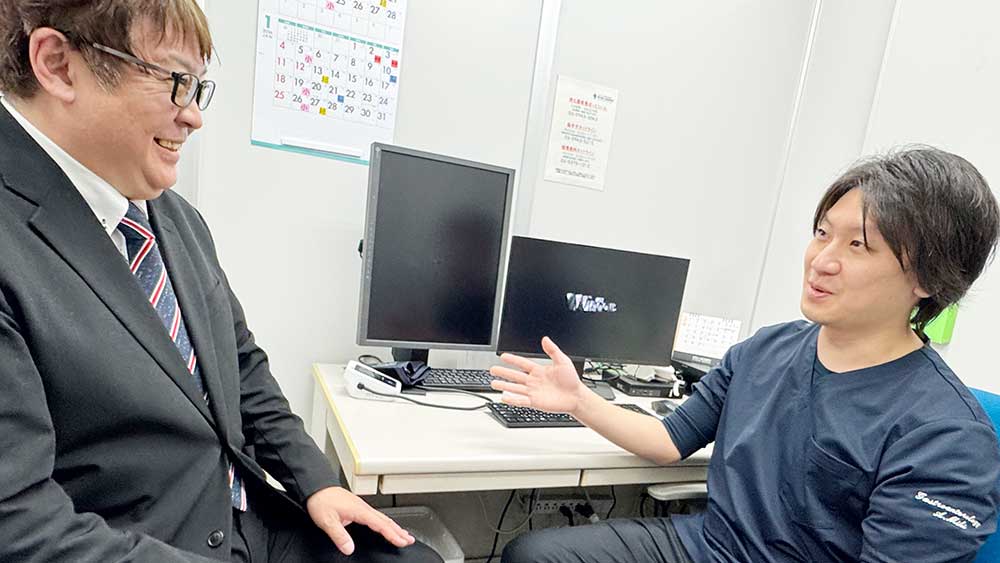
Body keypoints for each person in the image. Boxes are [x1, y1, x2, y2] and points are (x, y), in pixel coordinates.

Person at [0, 2, 441, 562]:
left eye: (197, 88)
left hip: (245, 518)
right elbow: (20, 525)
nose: (193, 116)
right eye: (175, 81)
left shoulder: (172, 217)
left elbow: (240, 366)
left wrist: (316, 481)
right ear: (58, 65)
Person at [491, 147, 1000, 562]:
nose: (821, 261)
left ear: (929, 277)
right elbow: (668, 440)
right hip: (708, 546)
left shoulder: (947, 436)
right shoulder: (766, 349)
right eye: (823, 234)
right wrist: (579, 400)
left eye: (857, 246)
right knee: (534, 555)